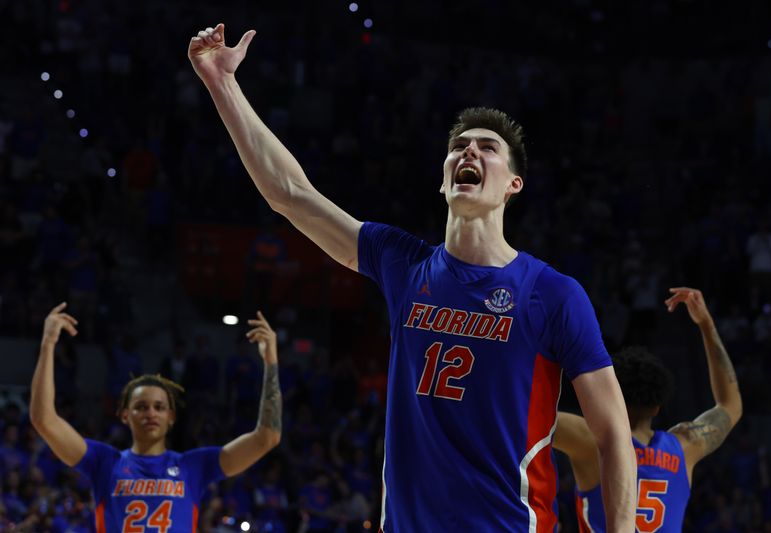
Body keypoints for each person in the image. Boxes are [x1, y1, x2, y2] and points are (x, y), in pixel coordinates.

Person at [188, 23, 636, 531]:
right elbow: (290, 195)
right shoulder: (403, 264)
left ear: (514, 184)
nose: (469, 152)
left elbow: (615, 435)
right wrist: (222, 84)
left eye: (487, 148)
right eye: (459, 146)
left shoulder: (553, 294)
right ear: (442, 179)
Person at [29, 303, 282, 531]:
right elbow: (44, 420)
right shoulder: (103, 462)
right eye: (141, 407)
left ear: (171, 417)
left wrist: (271, 363)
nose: (151, 413)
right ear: (125, 415)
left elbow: (267, 437)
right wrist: (48, 344)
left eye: (159, 407)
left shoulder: (194, 466)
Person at [553, 287, 743, 532]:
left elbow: (518, 415)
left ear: (613, 396)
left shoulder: (591, 441)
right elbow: (731, 405)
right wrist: (706, 325)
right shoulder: (684, 447)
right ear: (657, 407)